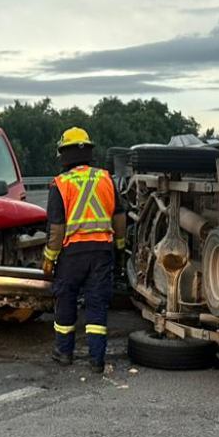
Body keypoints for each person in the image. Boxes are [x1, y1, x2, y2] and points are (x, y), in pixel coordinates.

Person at [42, 127, 127, 374]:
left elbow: (57, 229)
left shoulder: (60, 184)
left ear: (64, 155)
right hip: (102, 252)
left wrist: (49, 258)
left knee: (66, 301)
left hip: (72, 255)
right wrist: (119, 247)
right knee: (97, 304)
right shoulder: (105, 178)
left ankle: (64, 352)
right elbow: (119, 217)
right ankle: (96, 360)